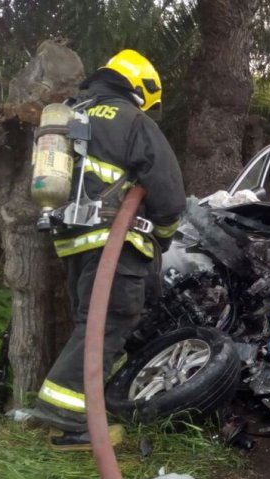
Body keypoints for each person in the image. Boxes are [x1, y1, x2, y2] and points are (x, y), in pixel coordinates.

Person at [31, 49, 186, 449]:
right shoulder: (132, 119)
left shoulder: (72, 114)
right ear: (140, 87)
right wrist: (164, 235)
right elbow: (167, 190)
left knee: (91, 323)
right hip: (115, 239)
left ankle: (87, 408)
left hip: (72, 242)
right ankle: (66, 417)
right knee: (108, 321)